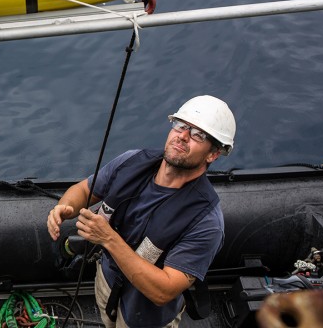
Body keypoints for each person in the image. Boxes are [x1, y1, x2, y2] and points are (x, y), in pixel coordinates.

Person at [47, 95, 236, 328]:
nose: (183, 136)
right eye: (181, 125)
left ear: (213, 154)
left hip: (146, 316)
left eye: (198, 135)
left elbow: (164, 291)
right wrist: (65, 208)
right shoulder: (131, 161)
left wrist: (108, 238)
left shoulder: (206, 221)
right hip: (107, 284)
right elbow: (84, 189)